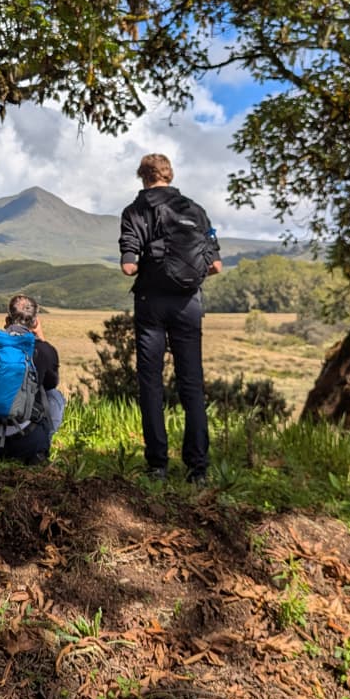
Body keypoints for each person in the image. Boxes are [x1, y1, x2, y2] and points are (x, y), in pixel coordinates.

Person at [119, 153, 222, 484]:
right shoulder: (196, 210)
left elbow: (128, 266)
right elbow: (216, 265)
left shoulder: (135, 211)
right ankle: (198, 469)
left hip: (151, 304)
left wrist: (150, 259)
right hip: (189, 304)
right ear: (169, 175)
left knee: (151, 383)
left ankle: (157, 466)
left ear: (143, 177)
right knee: (191, 384)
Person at [0, 293, 65, 464]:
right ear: (35, 322)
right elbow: (50, 384)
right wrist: (42, 340)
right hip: (26, 444)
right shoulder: (43, 350)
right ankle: (41, 449)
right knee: (55, 396)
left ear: (7, 319)